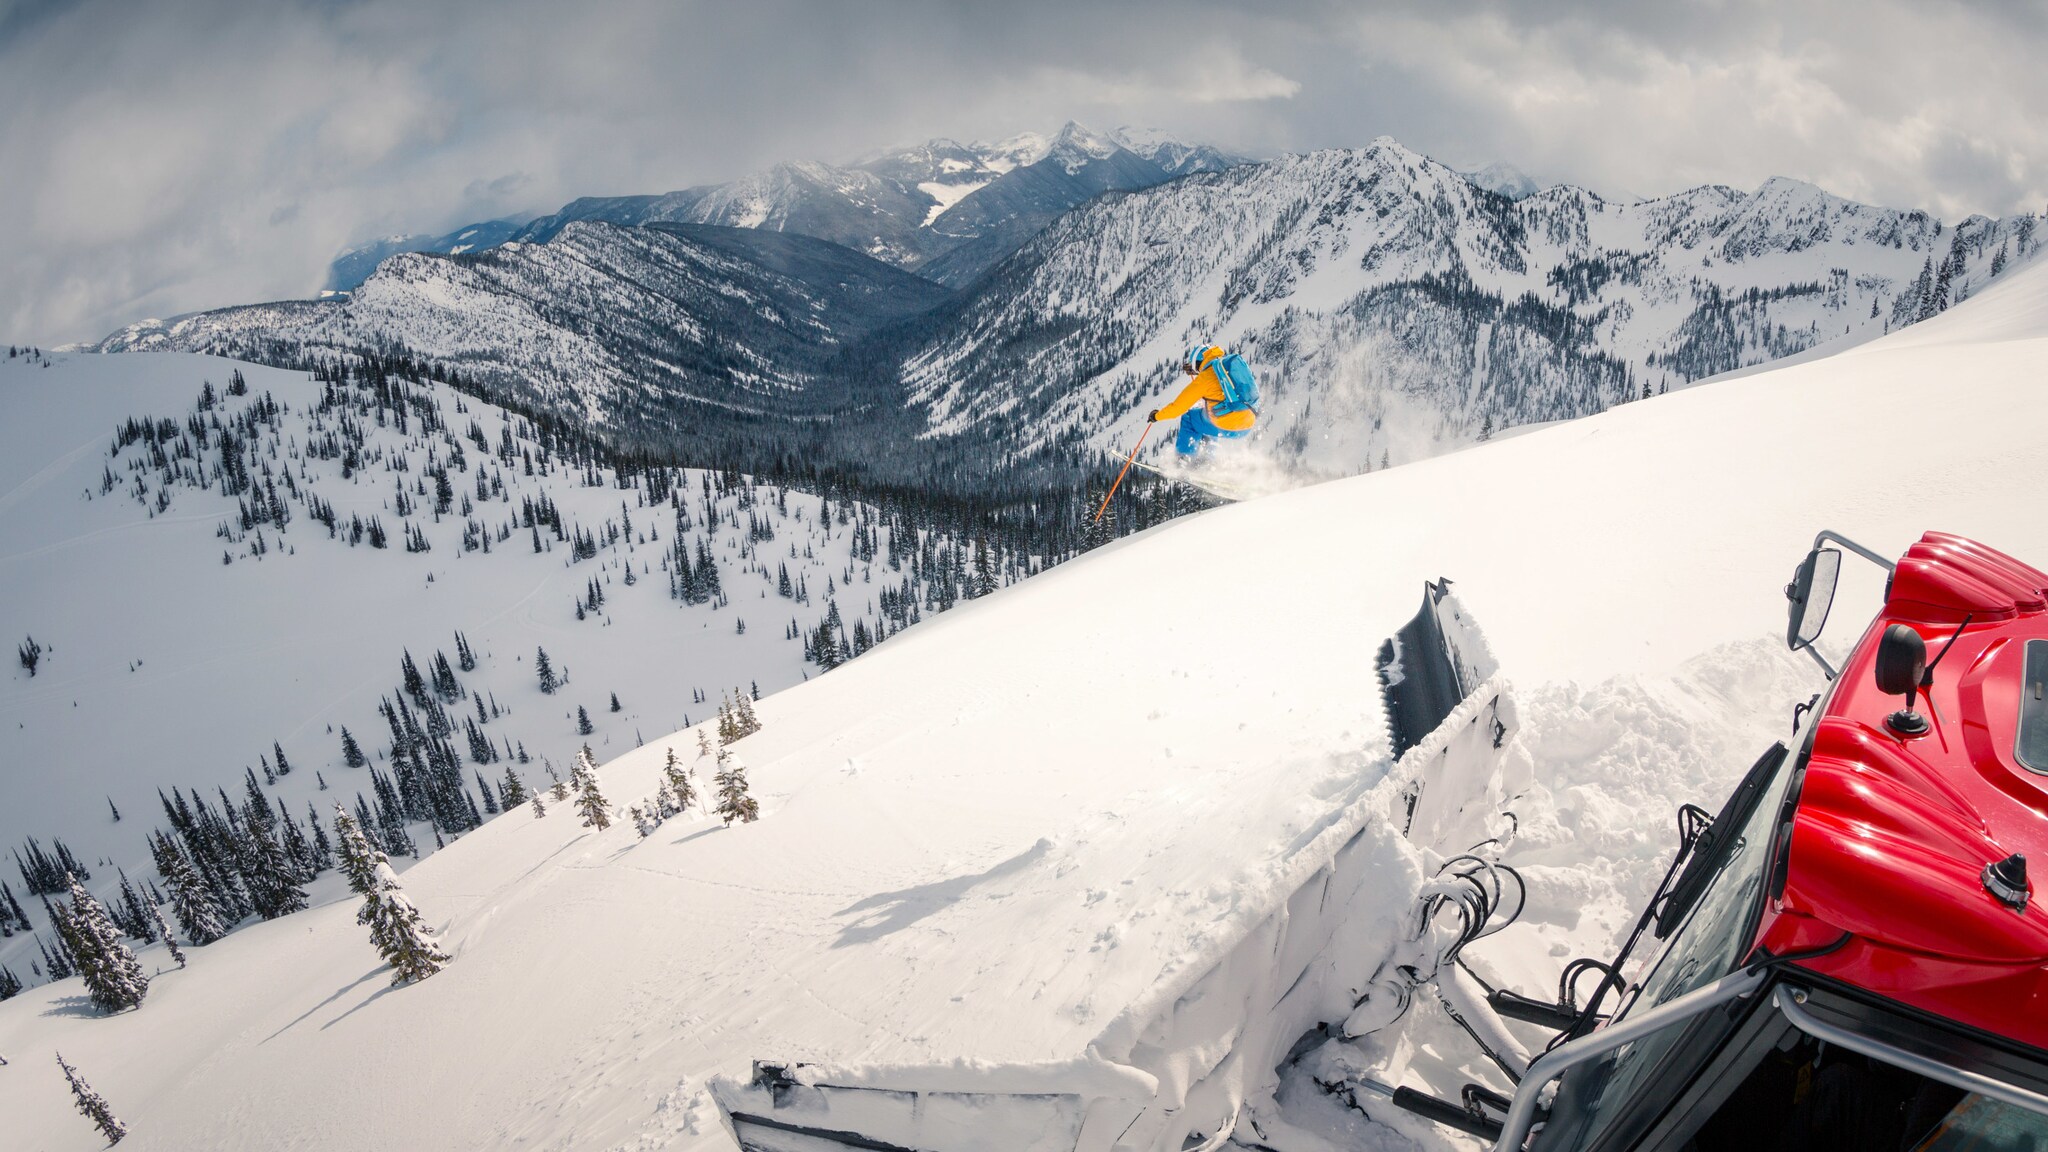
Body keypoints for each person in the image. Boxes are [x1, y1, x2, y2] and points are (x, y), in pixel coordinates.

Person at [1148, 344, 1257, 459]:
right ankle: (1207, 460)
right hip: (1248, 423)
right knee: (1205, 415)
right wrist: (1197, 371)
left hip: (1229, 426)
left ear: (1197, 362)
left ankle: (1183, 460)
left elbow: (1177, 408)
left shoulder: (1204, 379)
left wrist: (1157, 416)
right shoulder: (1226, 369)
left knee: (1189, 418)